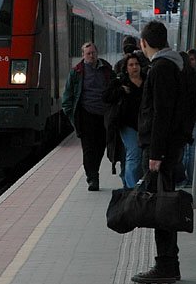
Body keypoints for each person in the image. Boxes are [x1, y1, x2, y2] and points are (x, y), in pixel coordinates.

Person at [132, 20, 189, 284]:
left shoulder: (161, 68)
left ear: (144, 43)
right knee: (161, 204)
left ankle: (166, 265)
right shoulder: (176, 64)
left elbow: (161, 115)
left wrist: (156, 153)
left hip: (159, 152)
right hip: (168, 148)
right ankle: (167, 263)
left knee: (161, 207)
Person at [62, 42, 115, 192]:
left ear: (97, 53)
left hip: (103, 115)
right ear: (83, 55)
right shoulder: (76, 72)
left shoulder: (106, 69)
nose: (91, 56)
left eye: (93, 53)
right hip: (86, 115)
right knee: (88, 149)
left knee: (100, 147)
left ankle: (94, 171)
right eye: (88, 53)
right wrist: (74, 118)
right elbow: (67, 99)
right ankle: (92, 178)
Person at [103, 54, 145, 188]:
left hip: (144, 125)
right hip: (127, 125)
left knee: (137, 157)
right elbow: (106, 97)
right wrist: (120, 90)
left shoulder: (147, 81)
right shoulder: (120, 82)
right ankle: (132, 189)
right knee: (134, 154)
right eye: (131, 65)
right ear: (126, 68)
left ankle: (129, 185)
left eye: (136, 64)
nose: (134, 67)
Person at [179, 48, 196, 188]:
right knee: (189, 150)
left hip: (193, 117)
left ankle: (190, 178)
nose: (190, 62)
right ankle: (190, 178)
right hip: (191, 116)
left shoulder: (194, 77)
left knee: (190, 150)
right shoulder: (194, 76)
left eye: (192, 59)